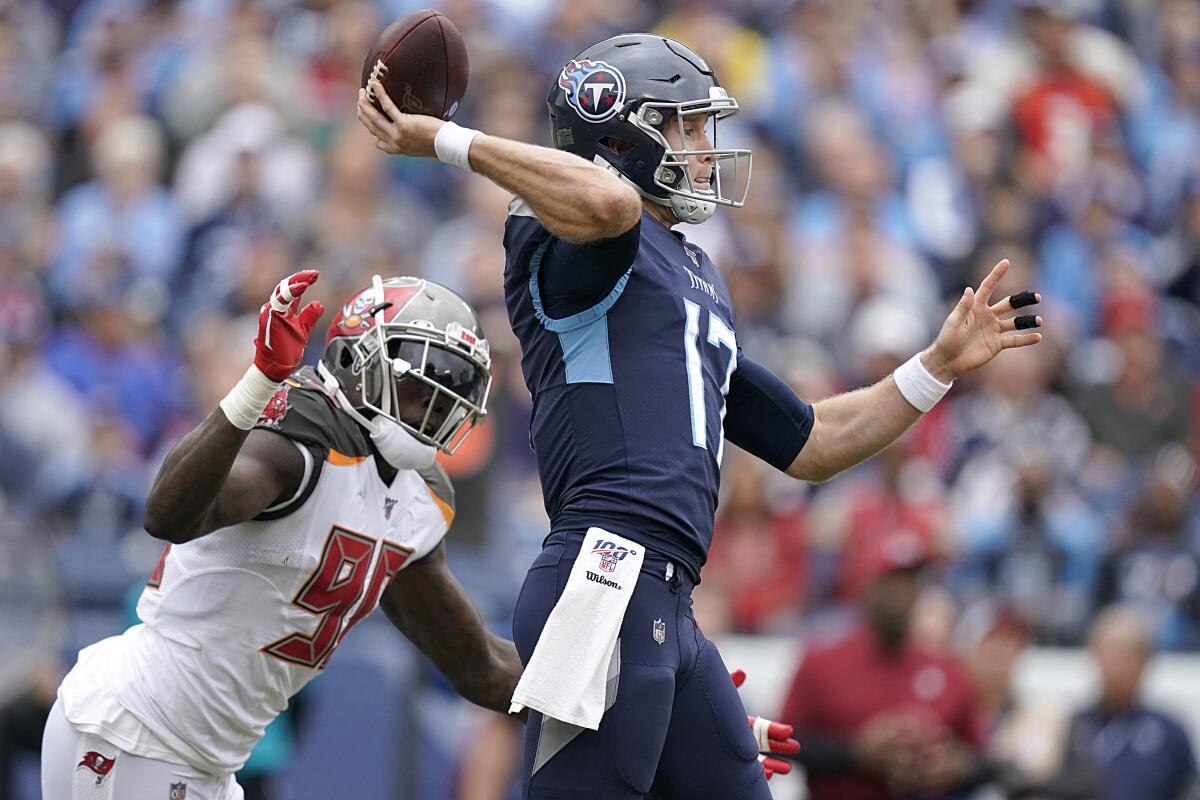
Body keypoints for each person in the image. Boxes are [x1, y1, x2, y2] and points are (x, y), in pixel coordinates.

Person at [356, 32, 1042, 800]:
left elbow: (812, 442)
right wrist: (446, 138)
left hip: (668, 600)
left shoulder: (692, 273)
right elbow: (609, 201)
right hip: (603, 574)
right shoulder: (569, 233)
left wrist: (935, 367)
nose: (705, 150)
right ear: (618, 132)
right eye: (683, 126)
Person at [40, 270, 524, 799]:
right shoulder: (301, 436)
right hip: (135, 732)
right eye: (416, 380)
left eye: (452, 386)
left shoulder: (420, 500)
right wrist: (258, 382)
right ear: (354, 361)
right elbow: (169, 516)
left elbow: (479, 666)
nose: (432, 402)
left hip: (203, 760)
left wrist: (593, 704)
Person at [780, 530, 988, 800]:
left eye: (911, 582)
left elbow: (982, 760)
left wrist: (953, 766)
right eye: (893, 582)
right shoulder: (821, 661)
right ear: (868, 584)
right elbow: (782, 743)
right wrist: (854, 753)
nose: (903, 593)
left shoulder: (946, 668)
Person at [1015, 604, 1199, 800]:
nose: (1115, 664)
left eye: (1127, 653)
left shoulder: (1169, 733)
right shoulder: (1070, 725)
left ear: (1146, 660)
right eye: (1108, 652)